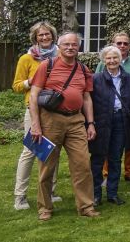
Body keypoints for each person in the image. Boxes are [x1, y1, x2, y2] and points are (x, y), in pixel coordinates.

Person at [27, 32, 99, 221]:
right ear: (59, 47)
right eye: (66, 44)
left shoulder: (84, 69)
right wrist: (36, 124)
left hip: (76, 121)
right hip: (50, 120)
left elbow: (86, 98)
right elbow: (33, 96)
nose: (70, 47)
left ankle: (86, 206)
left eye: (74, 44)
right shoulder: (47, 66)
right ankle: (45, 208)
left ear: (78, 47)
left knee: (82, 165)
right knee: (47, 167)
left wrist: (90, 123)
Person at [11, 21, 60, 210]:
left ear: (53, 36)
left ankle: (50, 192)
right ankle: (20, 196)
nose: (45, 37)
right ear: (35, 38)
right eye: (41, 35)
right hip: (34, 110)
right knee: (30, 152)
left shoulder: (60, 57)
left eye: (47, 34)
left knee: (52, 150)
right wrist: (30, 81)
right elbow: (16, 86)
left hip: (55, 109)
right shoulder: (27, 58)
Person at [89, 45, 130, 205]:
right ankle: (95, 195)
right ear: (104, 60)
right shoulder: (95, 79)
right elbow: (89, 102)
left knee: (116, 158)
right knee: (97, 158)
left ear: (120, 59)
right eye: (108, 58)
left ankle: (112, 193)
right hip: (101, 121)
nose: (112, 61)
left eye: (115, 57)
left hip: (120, 121)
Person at [95, 32, 130, 184]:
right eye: (119, 43)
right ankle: (107, 172)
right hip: (110, 109)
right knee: (108, 142)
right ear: (113, 44)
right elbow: (97, 86)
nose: (122, 46)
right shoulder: (103, 64)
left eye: (125, 43)